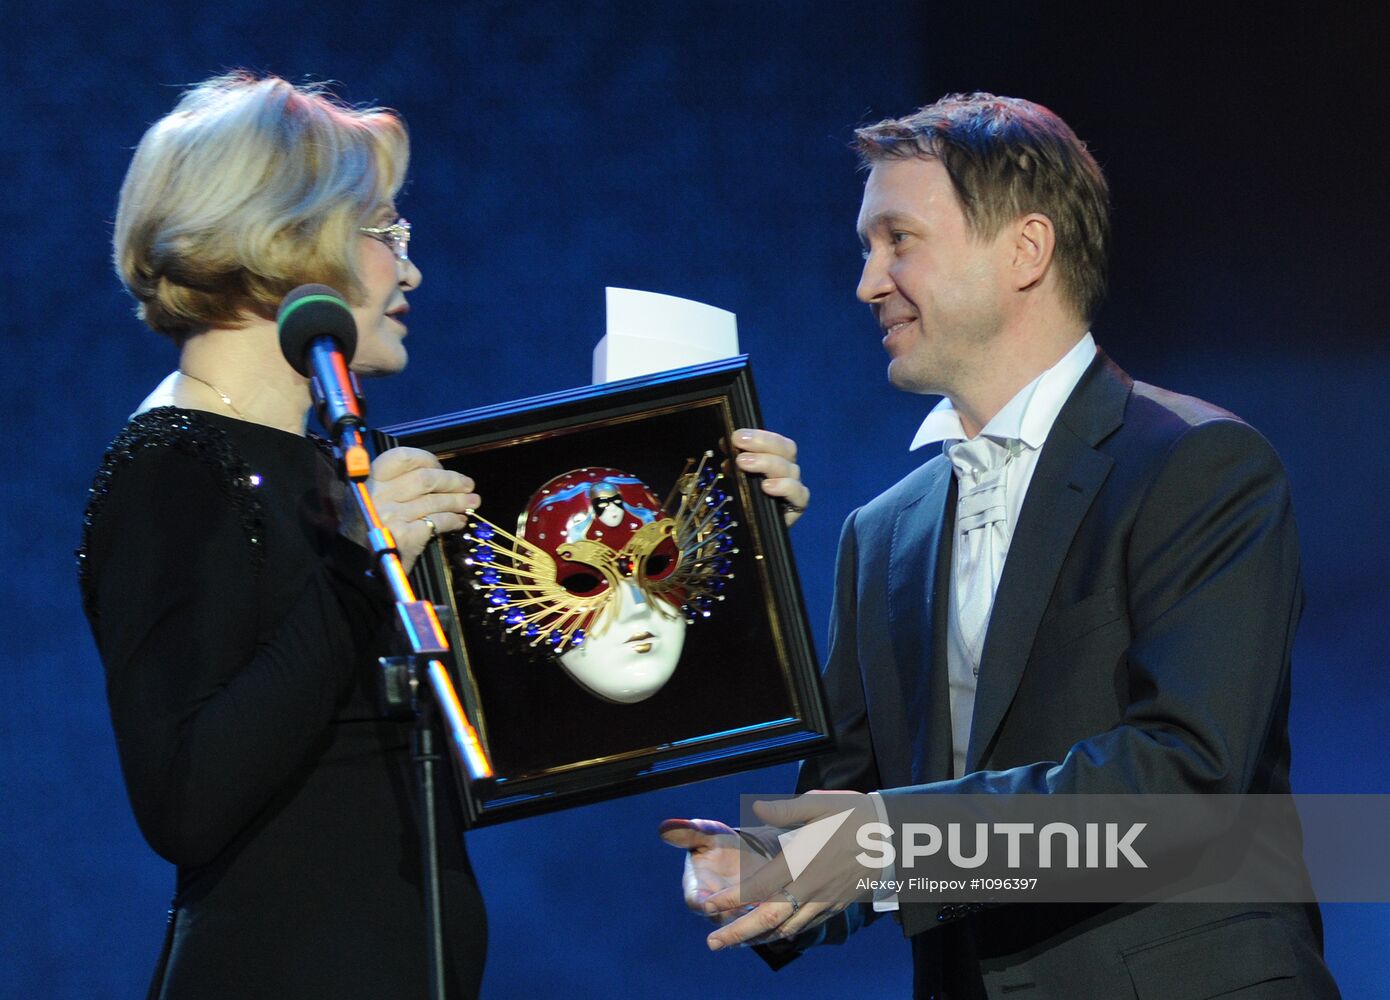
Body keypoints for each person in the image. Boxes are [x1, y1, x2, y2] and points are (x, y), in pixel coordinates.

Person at [78, 72, 809, 999]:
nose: (409, 268)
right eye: (384, 232)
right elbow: (186, 796)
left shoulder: (336, 469)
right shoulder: (173, 464)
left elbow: (512, 724)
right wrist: (355, 562)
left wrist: (732, 551)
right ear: (285, 238)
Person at [663, 93, 1340, 998]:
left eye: (899, 240)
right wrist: (772, 866)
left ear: (1026, 249)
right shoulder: (884, 535)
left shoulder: (1198, 464)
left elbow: (1185, 785)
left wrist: (884, 842)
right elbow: (859, 801)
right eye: (867, 248)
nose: (868, 282)